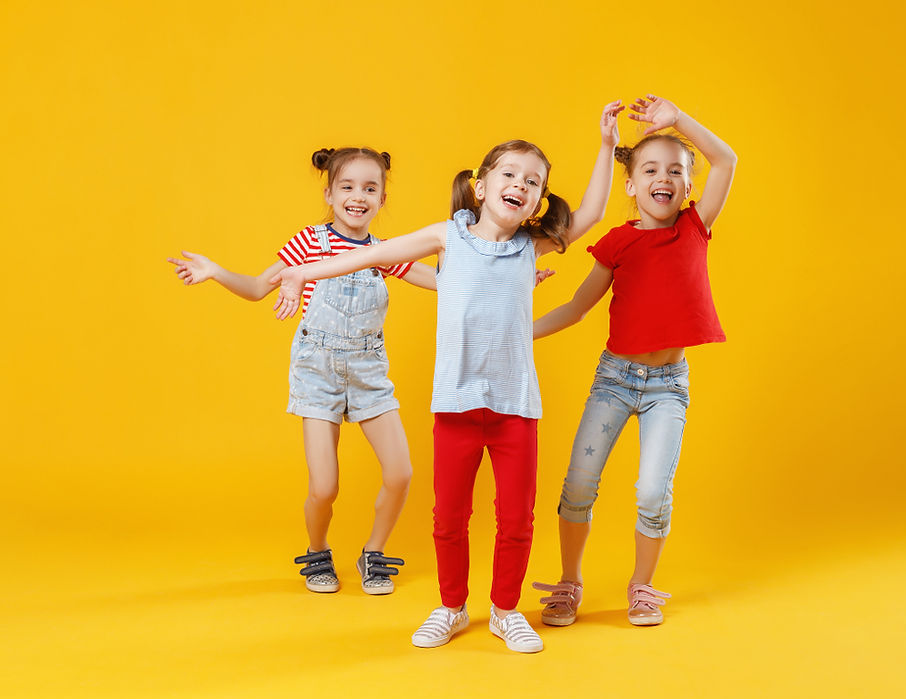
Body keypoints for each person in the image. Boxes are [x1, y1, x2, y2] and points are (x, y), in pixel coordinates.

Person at [270, 102, 624, 652]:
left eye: (533, 182)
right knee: (449, 519)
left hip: (515, 406)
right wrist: (300, 273)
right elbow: (368, 255)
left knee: (516, 520)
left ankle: (505, 610)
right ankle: (452, 607)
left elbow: (593, 212)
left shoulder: (530, 247)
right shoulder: (447, 237)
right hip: (456, 403)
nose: (520, 185)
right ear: (481, 187)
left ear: (537, 202)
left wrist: (606, 145)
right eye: (509, 174)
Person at [167, 146, 434, 596]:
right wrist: (216, 271)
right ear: (329, 194)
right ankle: (317, 549)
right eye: (347, 187)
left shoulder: (385, 251)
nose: (358, 197)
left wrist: (511, 280)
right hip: (319, 373)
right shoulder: (311, 242)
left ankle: (373, 552)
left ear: (383, 199)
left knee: (400, 473)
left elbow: (443, 282)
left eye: (370, 188)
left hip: (368, 372)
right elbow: (258, 287)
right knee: (324, 486)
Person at [531, 94, 737, 627]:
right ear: (630, 184)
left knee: (652, 492)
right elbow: (577, 307)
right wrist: (519, 334)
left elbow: (727, 160)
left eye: (676, 171)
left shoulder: (694, 226)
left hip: (668, 385)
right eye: (650, 169)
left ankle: (642, 586)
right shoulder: (617, 243)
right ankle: (570, 581)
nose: (663, 178)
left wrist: (679, 120)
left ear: (688, 186)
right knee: (579, 484)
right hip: (615, 380)